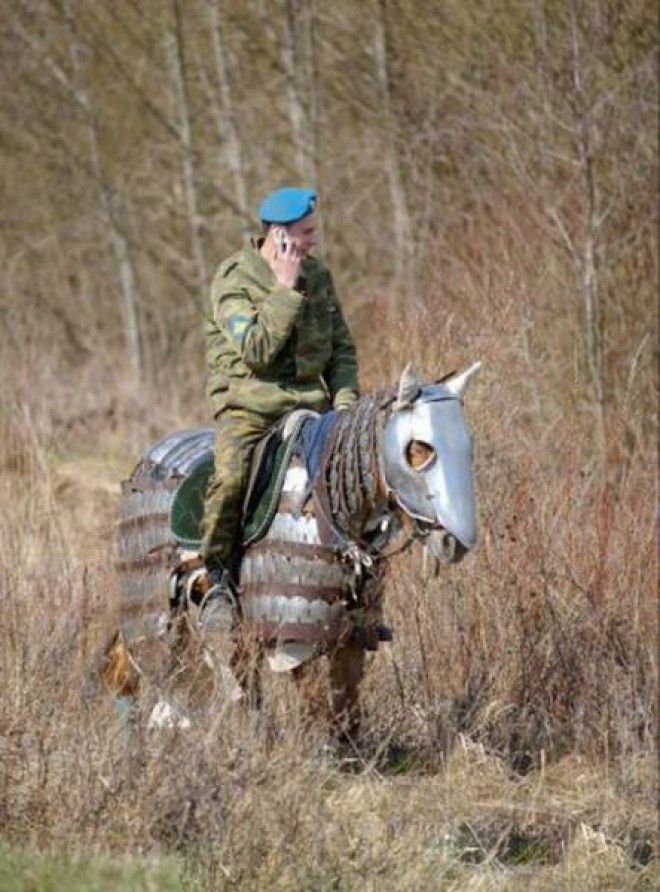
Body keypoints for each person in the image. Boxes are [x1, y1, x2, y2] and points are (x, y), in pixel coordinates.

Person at [200, 187, 359, 590]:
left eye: (313, 231)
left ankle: (354, 580)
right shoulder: (233, 280)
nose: (313, 240)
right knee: (231, 479)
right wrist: (285, 291)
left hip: (313, 406)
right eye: (306, 233)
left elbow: (341, 349)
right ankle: (217, 576)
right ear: (279, 236)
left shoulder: (318, 275)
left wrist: (345, 404)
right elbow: (257, 351)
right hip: (250, 409)